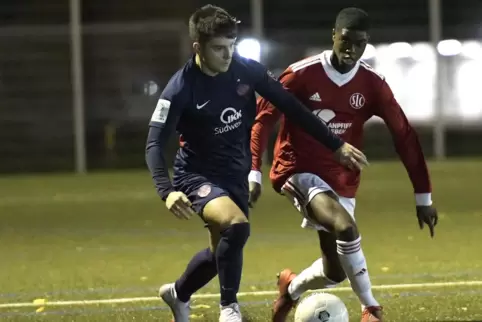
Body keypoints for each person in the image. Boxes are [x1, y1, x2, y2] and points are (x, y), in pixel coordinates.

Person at [145, 5, 368, 322]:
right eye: (219, 49)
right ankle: (229, 309)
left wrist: (336, 145)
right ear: (198, 48)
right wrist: (166, 191)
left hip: (234, 171)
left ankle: (178, 294)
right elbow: (154, 143)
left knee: (219, 252)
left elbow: (292, 106)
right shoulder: (180, 88)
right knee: (236, 226)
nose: (227, 55)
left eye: (231, 46)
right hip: (197, 175)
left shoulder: (245, 70)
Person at [249, 7, 438, 322]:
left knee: (335, 270)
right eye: (346, 40)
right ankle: (370, 308)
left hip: (341, 179)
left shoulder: (372, 84)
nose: (351, 49)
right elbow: (263, 119)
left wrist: (424, 197)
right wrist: (254, 169)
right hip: (297, 169)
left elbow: (404, 136)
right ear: (333, 35)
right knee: (346, 227)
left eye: (359, 43)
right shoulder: (301, 74)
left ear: (367, 43)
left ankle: (290, 288)